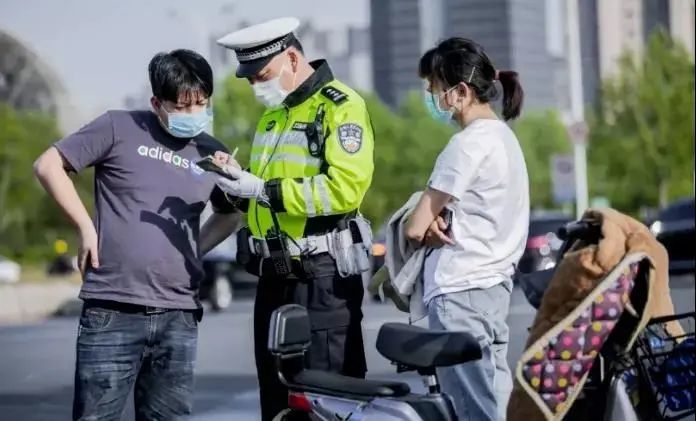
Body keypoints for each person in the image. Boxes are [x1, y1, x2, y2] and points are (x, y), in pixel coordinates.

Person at [33, 49, 241, 421]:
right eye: (182, 106)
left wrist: (195, 249)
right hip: (113, 307)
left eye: (202, 104)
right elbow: (48, 166)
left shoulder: (213, 152)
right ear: (156, 103)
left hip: (178, 313)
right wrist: (85, 226)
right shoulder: (118, 127)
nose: (194, 115)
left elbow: (230, 215)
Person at [215, 17, 374, 420]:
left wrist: (262, 191)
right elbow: (263, 196)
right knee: (276, 400)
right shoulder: (273, 117)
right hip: (273, 277)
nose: (256, 86)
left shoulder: (341, 105)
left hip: (320, 280)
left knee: (323, 399)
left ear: (291, 57)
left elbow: (344, 189)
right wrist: (234, 186)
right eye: (249, 79)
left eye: (262, 75)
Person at [405, 37, 529, 421]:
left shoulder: (466, 145)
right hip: (494, 291)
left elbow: (414, 227)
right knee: (493, 403)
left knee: (471, 411)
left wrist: (427, 225)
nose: (431, 97)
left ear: (459, 92)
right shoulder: (505, 139)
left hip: (460, 294)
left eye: (434, 89)